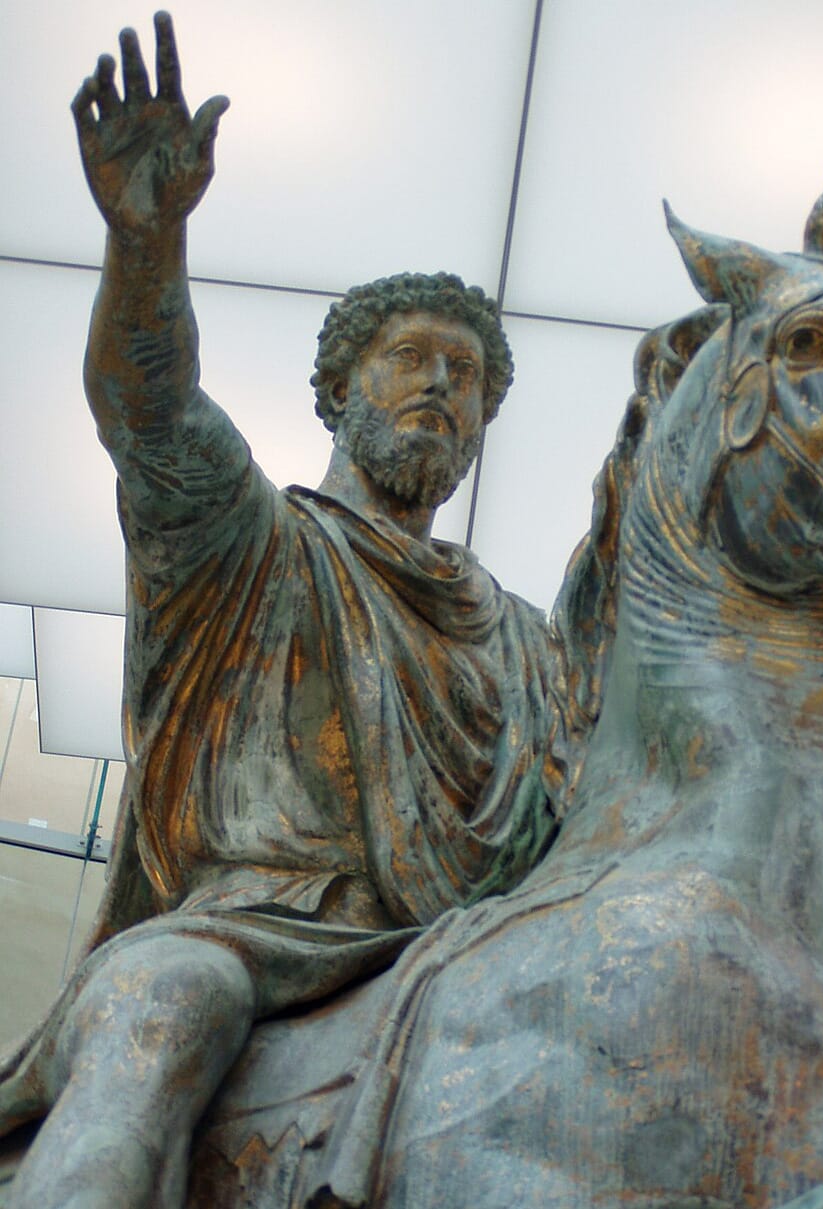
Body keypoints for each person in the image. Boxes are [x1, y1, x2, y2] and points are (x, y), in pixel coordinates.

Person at [0, 13, 557, 1207]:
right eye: (412, 358)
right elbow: (148, 408)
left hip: (462, 960)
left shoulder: (526, 640)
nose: (441, 386)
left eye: (466, 377)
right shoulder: (249, 541)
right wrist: (145, 241)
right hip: (247, 931)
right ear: (338, 390)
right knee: (164, 1009)